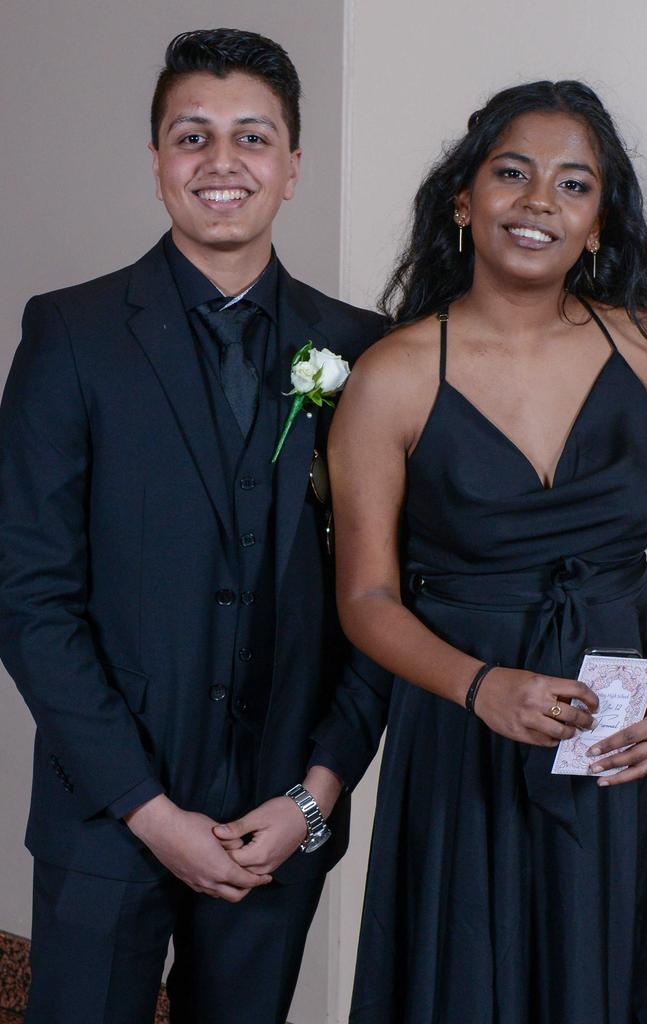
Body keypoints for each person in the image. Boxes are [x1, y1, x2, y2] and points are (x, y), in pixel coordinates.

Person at [0, 27, 389, 1024]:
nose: (222, 162)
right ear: (158, 160)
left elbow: (387, 601)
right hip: (105, 814)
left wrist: (313, 797)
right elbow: (29, 596)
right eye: (192, 135)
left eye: (252, 137)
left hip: (279, 817)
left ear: (292, 166)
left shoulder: (362, 352)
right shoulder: (69, 333)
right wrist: (149, 808)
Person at [328, 80, 647, 1022]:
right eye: (513, 173)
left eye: (573, 185)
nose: (540, 200)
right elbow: (367, 598)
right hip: (462, 730)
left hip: (617, 729)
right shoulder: (392, 376)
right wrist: (478, 687)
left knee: (614, 969)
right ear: (464, 201)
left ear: (598, 223)